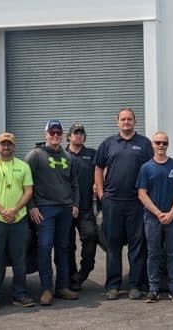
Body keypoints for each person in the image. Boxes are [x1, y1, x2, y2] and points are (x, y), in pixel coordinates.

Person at [94, 108, 154, 300]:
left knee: (137, 245)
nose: (126, 122)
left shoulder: (144, 144)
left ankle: (135, 286)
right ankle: (113, 286)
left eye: (129, 119)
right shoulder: (108, 143)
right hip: (112, 202)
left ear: (135, 122)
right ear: (117, 122)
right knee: (113, 245)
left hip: (136, 202)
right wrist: (101, 194)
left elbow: (151, 169)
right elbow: (98, 168)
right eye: (123, 119)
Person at [26, 120, 79, 305]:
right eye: (52, 132)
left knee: (63, 248)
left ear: (63, 135)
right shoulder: (35, 155)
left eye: (58, 132)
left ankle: (62, 287)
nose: (55, 135)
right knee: (45, 247)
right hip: (44, 209)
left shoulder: (68, 157)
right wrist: (31, 206)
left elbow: (74, 183)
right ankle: (46, 289)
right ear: (45, 134)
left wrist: (75, 203)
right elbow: (26, 183)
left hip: (65, 208)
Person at [0, 132, 35, 311]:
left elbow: (28, 191)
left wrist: (14, 210)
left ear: (14, 146)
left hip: (19, 219)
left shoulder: (23, 166)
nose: (6, 147)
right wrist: (3, 211)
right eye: (2, 144)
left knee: (20, 259)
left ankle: (20, 294)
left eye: (9, 144)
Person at [137, 131, 173, 303]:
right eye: (158, 142)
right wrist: (158, 213)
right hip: (152, 219)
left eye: (164, 143)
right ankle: (153, 290)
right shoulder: (146, 168)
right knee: (153, 254)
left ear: (168, 145)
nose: (161, 145)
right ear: (152, 144)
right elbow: (142, 194)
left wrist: (172, 212)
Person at [65, 123, 98, 291]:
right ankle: (72, 276)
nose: (78, 136)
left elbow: (101, 172)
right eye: (75, 133)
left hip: (85, 208)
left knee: (91, 237)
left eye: (81, 133)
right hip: (66, 208)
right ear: (69, 136)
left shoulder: (92, 154)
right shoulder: (61, 155)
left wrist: (98, 184)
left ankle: (83, 272)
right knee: (67, 245)